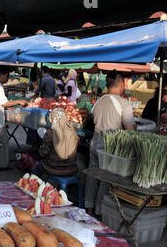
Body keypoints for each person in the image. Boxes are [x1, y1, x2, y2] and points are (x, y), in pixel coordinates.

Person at [84, 70, 135, 219]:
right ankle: (99, 211)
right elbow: (130, 130)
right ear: (120, 84)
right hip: (110, 146)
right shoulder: (124, 104)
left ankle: (89, 208)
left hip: (95, 141)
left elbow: (92, 118)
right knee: (106, 178)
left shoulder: (99, 101)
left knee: (92, 174)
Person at [0, 66, 24, 170]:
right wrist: (19, 101)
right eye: (7, 76)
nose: (8, 78)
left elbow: (3, 104)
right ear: (3, 75)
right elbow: (4, 103)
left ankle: (1, 164)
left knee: (3, 141)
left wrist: (13, 105)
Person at [33, 108, 79, 177]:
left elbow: (42, 154)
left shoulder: (50, 133)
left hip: (53, 168)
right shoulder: (73, 132)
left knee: (38, 167)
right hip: (72, 168)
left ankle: (33, 185)